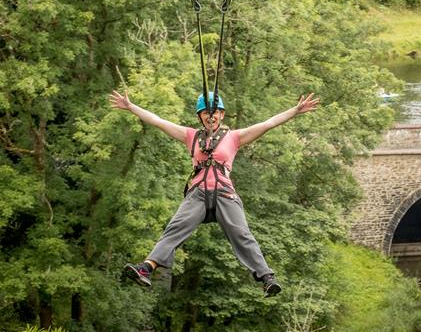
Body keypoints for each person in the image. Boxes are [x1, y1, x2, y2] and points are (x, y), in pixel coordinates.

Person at [110, 90, 320, 297]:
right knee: (175, 227)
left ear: (222, 115)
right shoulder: (190, 136)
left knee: (241, 233)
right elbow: (158, 121)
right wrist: (131, 107)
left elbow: (268, 124)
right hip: (198, 193)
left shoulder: (235, 137)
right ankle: (147, 267)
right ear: (200, 117)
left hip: (224, 193)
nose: (211, 117)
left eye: (215, 113)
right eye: (205, 114)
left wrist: (296, 110)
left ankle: (267, 278)